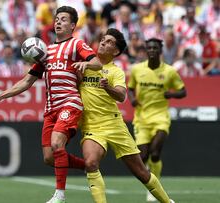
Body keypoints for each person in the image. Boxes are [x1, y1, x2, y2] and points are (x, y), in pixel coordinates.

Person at [0, 6, 101, 203]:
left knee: (57, 143)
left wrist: (86, 64)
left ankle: (60, 195)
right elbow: (26, 81)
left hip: (70, 103)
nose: (58, 22)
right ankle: (88, 166)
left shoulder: (76, 45)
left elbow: (97, 62)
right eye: (57, 19)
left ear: (73, 25)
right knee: (50, 157)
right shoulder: (45, 52)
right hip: (50, 109)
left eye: (64, 19)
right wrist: (1, 96)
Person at [72, 28, 175, 203]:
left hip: (114, 125)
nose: (103, 42)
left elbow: (121, 96)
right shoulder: (85, 64)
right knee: (90, 163)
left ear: (116, 51)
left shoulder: (116, 72)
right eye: (103, 39)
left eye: (109, 42)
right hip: (92, 126)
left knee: (142, 172)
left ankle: (168, 201)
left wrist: (107, 87)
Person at [128, 38, 186, 202]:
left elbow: (183, 92)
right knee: (143, 156)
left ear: (160, 51)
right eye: (149, 48)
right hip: (141, 118)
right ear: (146, 51)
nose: (152, 50)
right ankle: (151, 178)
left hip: (161, 116)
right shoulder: (137, 70)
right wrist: (132, 99)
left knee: (155, 152)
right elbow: (130, 88)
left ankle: (155, 186)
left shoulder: (169, 71)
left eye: (155, 48)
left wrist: (172, 94)